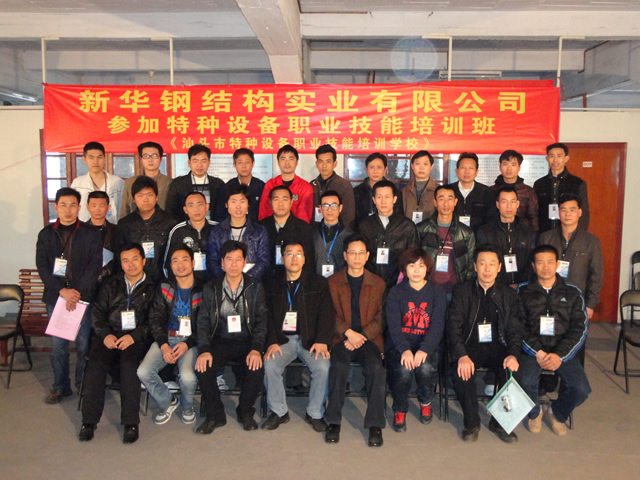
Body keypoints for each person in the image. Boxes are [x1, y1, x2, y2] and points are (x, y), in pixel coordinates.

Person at [79, 243, 155, 443]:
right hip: (110, 335)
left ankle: (130, 422)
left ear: (143, 261)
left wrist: (134, 336)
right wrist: (105, 335)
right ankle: (88, 421)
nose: (131, 264)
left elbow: (154, 320)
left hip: (136, 338)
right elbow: (97, 313)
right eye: (125, 261)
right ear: (121, 264)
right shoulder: (110, 284)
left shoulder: (153, 287)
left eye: (135, 259)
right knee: (95, 365)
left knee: (129, 367)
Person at [448, 245, 524, 443]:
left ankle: (500, 422)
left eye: (492, 264)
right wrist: (461, 355)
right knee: (461, 371)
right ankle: (471, 422)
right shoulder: (462, 291)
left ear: (499, 267)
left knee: (513, 371)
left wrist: (513, 354)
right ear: (475, 266)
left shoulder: (509, 295)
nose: (487, 269)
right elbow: (453, 326)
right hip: (469, 345)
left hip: (499, 346)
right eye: (482, 264)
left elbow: (515, 329)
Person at [35, 187, 102, 404]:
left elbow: (94, 266)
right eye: (63, 205)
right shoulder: (46, 234)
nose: (68, 209)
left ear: (79, 208)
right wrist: (62, 291)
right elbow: (42, 267)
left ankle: (82, 384)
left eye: (73, 205)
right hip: (56, 298)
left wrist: (76, 293)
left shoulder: (90, 234)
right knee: (59, 346)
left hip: (82, 298)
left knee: (83, 345)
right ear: (56, 207)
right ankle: (60, 386)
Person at [194, 240, 268, 434]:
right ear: (222, 263)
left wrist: (256, 348)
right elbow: (203, 320)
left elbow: (262, 320)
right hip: (221, 339)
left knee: (257, 368)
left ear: (244, 262)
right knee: (203, 367)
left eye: (238, 259)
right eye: (229, 259)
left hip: (247, 340)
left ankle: (245, 412)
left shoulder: (255, 286)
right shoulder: (212, 287)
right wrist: (204, 349)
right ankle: (215, 415)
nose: (234, 264)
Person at [517, 245, 591, 436]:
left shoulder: (572, 292)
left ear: (558, 264)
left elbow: (580, 328)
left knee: (581, 389)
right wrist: (538, 352)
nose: (545, 267)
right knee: (524, 380)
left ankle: (556, 413)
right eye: (540, 262)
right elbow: (518, 326)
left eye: (550, 262)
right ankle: (534, 413)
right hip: (533, 350)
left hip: (562, 350)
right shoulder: (523, 291)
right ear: (533, 266)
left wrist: (559, 355)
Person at [262, 241, 334, 432]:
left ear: (304, 259)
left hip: (310, 339)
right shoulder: (272, 284)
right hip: (282, 339)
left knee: (323, 367)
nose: (294, 258)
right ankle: (279, 411)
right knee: (270, 365)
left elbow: (327, 314)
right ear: (282, 258)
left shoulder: (318, 283)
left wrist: (322, 341)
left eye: (298, 254)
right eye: (289, 254)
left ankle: (315, 412)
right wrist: (271, 341)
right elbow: (266, 316)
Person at [324, 233, 386, 447]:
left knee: (376, 369)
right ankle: (333, 421)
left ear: (367, 255)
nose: (357, 257)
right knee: (339, 366)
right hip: (341, 338)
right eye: (352, 253)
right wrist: (347, 333)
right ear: (345, 255)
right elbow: (328, 314)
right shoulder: (333, 282)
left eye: (361, 253)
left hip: (369, 339)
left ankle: (375, 424)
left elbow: (382, 317)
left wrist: (363, 335)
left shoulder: (378, 283)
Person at [137, 245, 202, 426]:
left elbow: (206, 324)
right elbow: (155, 318)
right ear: (171, 266)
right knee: (143, 372)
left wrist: (188, 343)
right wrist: (164, 344)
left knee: (188, 377)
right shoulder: (164, 287)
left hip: (190, 341)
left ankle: (187, 407)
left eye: (184, 260)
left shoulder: (204, 289)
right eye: (175, 261)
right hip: (167, 338)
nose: (180, 265)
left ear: (193, 263)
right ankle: (167, 402)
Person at [385, 248, 445, 434]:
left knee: (425, 368)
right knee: (403, 370)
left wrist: (424, 349)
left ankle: (425, 401)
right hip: (399, 345)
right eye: (412, 266)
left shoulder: (437, 292)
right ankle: (400, 409)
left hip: (427, 345)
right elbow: (393, 326)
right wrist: (404, 349)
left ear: (428, 268)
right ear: (404, 269)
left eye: (421, 266)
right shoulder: (396, 292)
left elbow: (437, 325)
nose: (416, 270)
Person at [538, 193, 603, 320]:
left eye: (572, 210)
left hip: (578, 299)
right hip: (549, 299)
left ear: (580, 212)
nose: (567, 214)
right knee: (549, 332)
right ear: (558, 212)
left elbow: (596, 275)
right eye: (563, 210)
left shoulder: (591, 242)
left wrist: (590, 304)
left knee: (576, 332)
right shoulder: (546, 238)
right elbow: (537, 270)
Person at [358, 179, 419, 289]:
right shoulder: (365, 225)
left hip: (399, 283)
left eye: (387, 197)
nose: (383, 201)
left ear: (394, 199)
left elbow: (413, 256)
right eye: (379, 197)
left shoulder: (406, 225)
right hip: (370, 282)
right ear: (374, 199)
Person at [116, 176, 177, 283]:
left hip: (164, 281)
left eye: (150, 195)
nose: (145, 199)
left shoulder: (171, 222)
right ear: (133, 199)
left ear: (156, 197)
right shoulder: (125, 224)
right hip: (135, 281)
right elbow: (119, 257)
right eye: (140, 195)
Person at [416, 184, 475, 296]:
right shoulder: (421, 229)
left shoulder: (466, 233)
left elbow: (470, 266)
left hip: (455, 291)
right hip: (428, 289)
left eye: (450, 199)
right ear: (435, 202)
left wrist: (463, 288)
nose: (446, 204)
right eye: (441, 199)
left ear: (455, 202)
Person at [206, 184, 270, 281]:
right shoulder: (217, 231)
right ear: (226, 205)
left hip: (252, 283)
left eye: (242, 201)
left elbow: (263, 261)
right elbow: (212, 261)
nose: (238, 206)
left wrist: (245, 280)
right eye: (233, 201)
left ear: (248, 204)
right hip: (223, 284)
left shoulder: (259, 231)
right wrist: (227, 280)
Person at [477, 186, 536, 287]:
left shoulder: (528, 232)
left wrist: (519, 284)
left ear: (517, 204)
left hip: (523, 287)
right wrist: (502, 285)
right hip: (495, 286)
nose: (509, 206)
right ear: (498, 204)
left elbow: (531, 261)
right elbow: (483, 260)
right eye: (504, 202)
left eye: (512, 201)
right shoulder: (486, 231)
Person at [259, 185, 315, 279]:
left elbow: (309, 260)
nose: (280, 204)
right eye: (276, 199)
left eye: (285, 199)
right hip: (266, 279)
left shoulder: (303, 227)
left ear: (291, 202)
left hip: (295, 279)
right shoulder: (261, 227)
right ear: (270, 202)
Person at [534, 142, 590, 233]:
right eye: (552, 156)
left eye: (559, 156)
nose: (555, 160)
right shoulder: (539, 183)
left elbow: (584, 213)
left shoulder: (577, 183)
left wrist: (580, 235)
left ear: (566, 158)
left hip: (568, 232)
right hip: (545, 233)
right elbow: (535, 212)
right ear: (547, 159)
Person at [164, 191, 217, 284]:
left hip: (215, 283)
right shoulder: (178, 231)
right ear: (185, 210)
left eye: (199, 205)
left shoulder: (217, 229)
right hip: (187, 285)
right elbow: (168, 263)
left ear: (207, 207)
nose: (196, 209)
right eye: (191, 205)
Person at [166, 143, 224, 222]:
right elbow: (171, 212)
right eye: (195, 161)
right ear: (189, 163)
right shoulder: (178, 184)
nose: (199, 165)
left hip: (213, 228)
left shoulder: (218, 184)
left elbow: (222, 211)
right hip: (185, 228)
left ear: (209, 163)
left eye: (203, 161)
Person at [71, 141, 124, 223]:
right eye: (91, 157)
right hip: (84, 228)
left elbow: (123, 209)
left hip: (112, 227)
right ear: (84, 159)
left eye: (99, 157)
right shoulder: (77, 183)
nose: (95, 161)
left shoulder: (117, 182)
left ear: (104, 158)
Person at [259, 144, 313, 222]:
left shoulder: (305, 187)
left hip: (297, 228)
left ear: (296, 162)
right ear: (278, 162)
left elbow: (304, 216)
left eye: (291, 159)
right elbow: (264, 211)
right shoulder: (270, 184)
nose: (287, 162)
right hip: (272, 227)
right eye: (283, 159)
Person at [446, 152, 498, 233]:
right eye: (463, 168)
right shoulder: (448, 191)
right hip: (451, 236)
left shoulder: (487, 193)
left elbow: (491, 220)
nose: (467, 172)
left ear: (476, 172)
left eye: (471, 168)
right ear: (457, 171)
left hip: (478, 238)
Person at [490, 149, 539, 231]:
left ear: (519, 167)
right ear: (500, 166)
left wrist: (533, 235)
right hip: (497, 232)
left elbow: (533, 216)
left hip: (522, 233)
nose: (509, 168)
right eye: (505, 164)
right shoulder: (492, 191)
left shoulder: (528, 192)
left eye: (513, 165)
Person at [121, 141, 172, 216]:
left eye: (154, 156)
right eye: (146, 156)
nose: (150, 159)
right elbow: (125, 210)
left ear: (161, 159)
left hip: (164, 222)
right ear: (141, 159)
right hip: (136, 222)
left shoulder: (169, 183)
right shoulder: (130, 182)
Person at [310, 144, 355, 228]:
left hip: (338, 231)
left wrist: (342, 233)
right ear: (316, 164)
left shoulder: (344, 185)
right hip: (315, 231)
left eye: (328, 161)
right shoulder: (311, 185)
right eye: (321, 161)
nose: (324, 165)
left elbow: (348, 215)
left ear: (335, 164)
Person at [353, 152, 403, 227]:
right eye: (371, 167)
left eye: (379, 167)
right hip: (362, 230)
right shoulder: (356, 192)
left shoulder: (394, 192)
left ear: (385, 169)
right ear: (366, 169)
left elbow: (398, 217)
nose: (375, 171)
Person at [312, 190, 354, 277]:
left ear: (340, 208)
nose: (329, 209)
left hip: (340, 282)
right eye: (325, 205)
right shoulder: (312, 233)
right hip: (316, 281)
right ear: (320, 208)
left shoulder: (350, 235)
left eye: (334, 205)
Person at [216, 148, 265, 222]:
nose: (244, 166)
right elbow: (220, 214)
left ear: (253, 163)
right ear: (234, 165)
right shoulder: (227, 187)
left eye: (247, 162)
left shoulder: (261, 187)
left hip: (257, 228)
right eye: (240, 162)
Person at [86, 191, 117, 281]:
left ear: (108, 207)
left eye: (101, 206)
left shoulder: (117, 230)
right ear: (87, 207)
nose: (97, 209)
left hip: (111, 279)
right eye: (93, 205)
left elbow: (119, 257)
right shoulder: (80, 231)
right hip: (86, 280)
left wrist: (103, 272)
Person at [402, 150, 437, 225]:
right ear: (412, 166)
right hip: (408, 230)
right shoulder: (404, 191)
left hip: (430, 230)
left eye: (425, 164)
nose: (421, 167)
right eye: (417, 164)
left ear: (431, 166)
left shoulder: (438, 190)